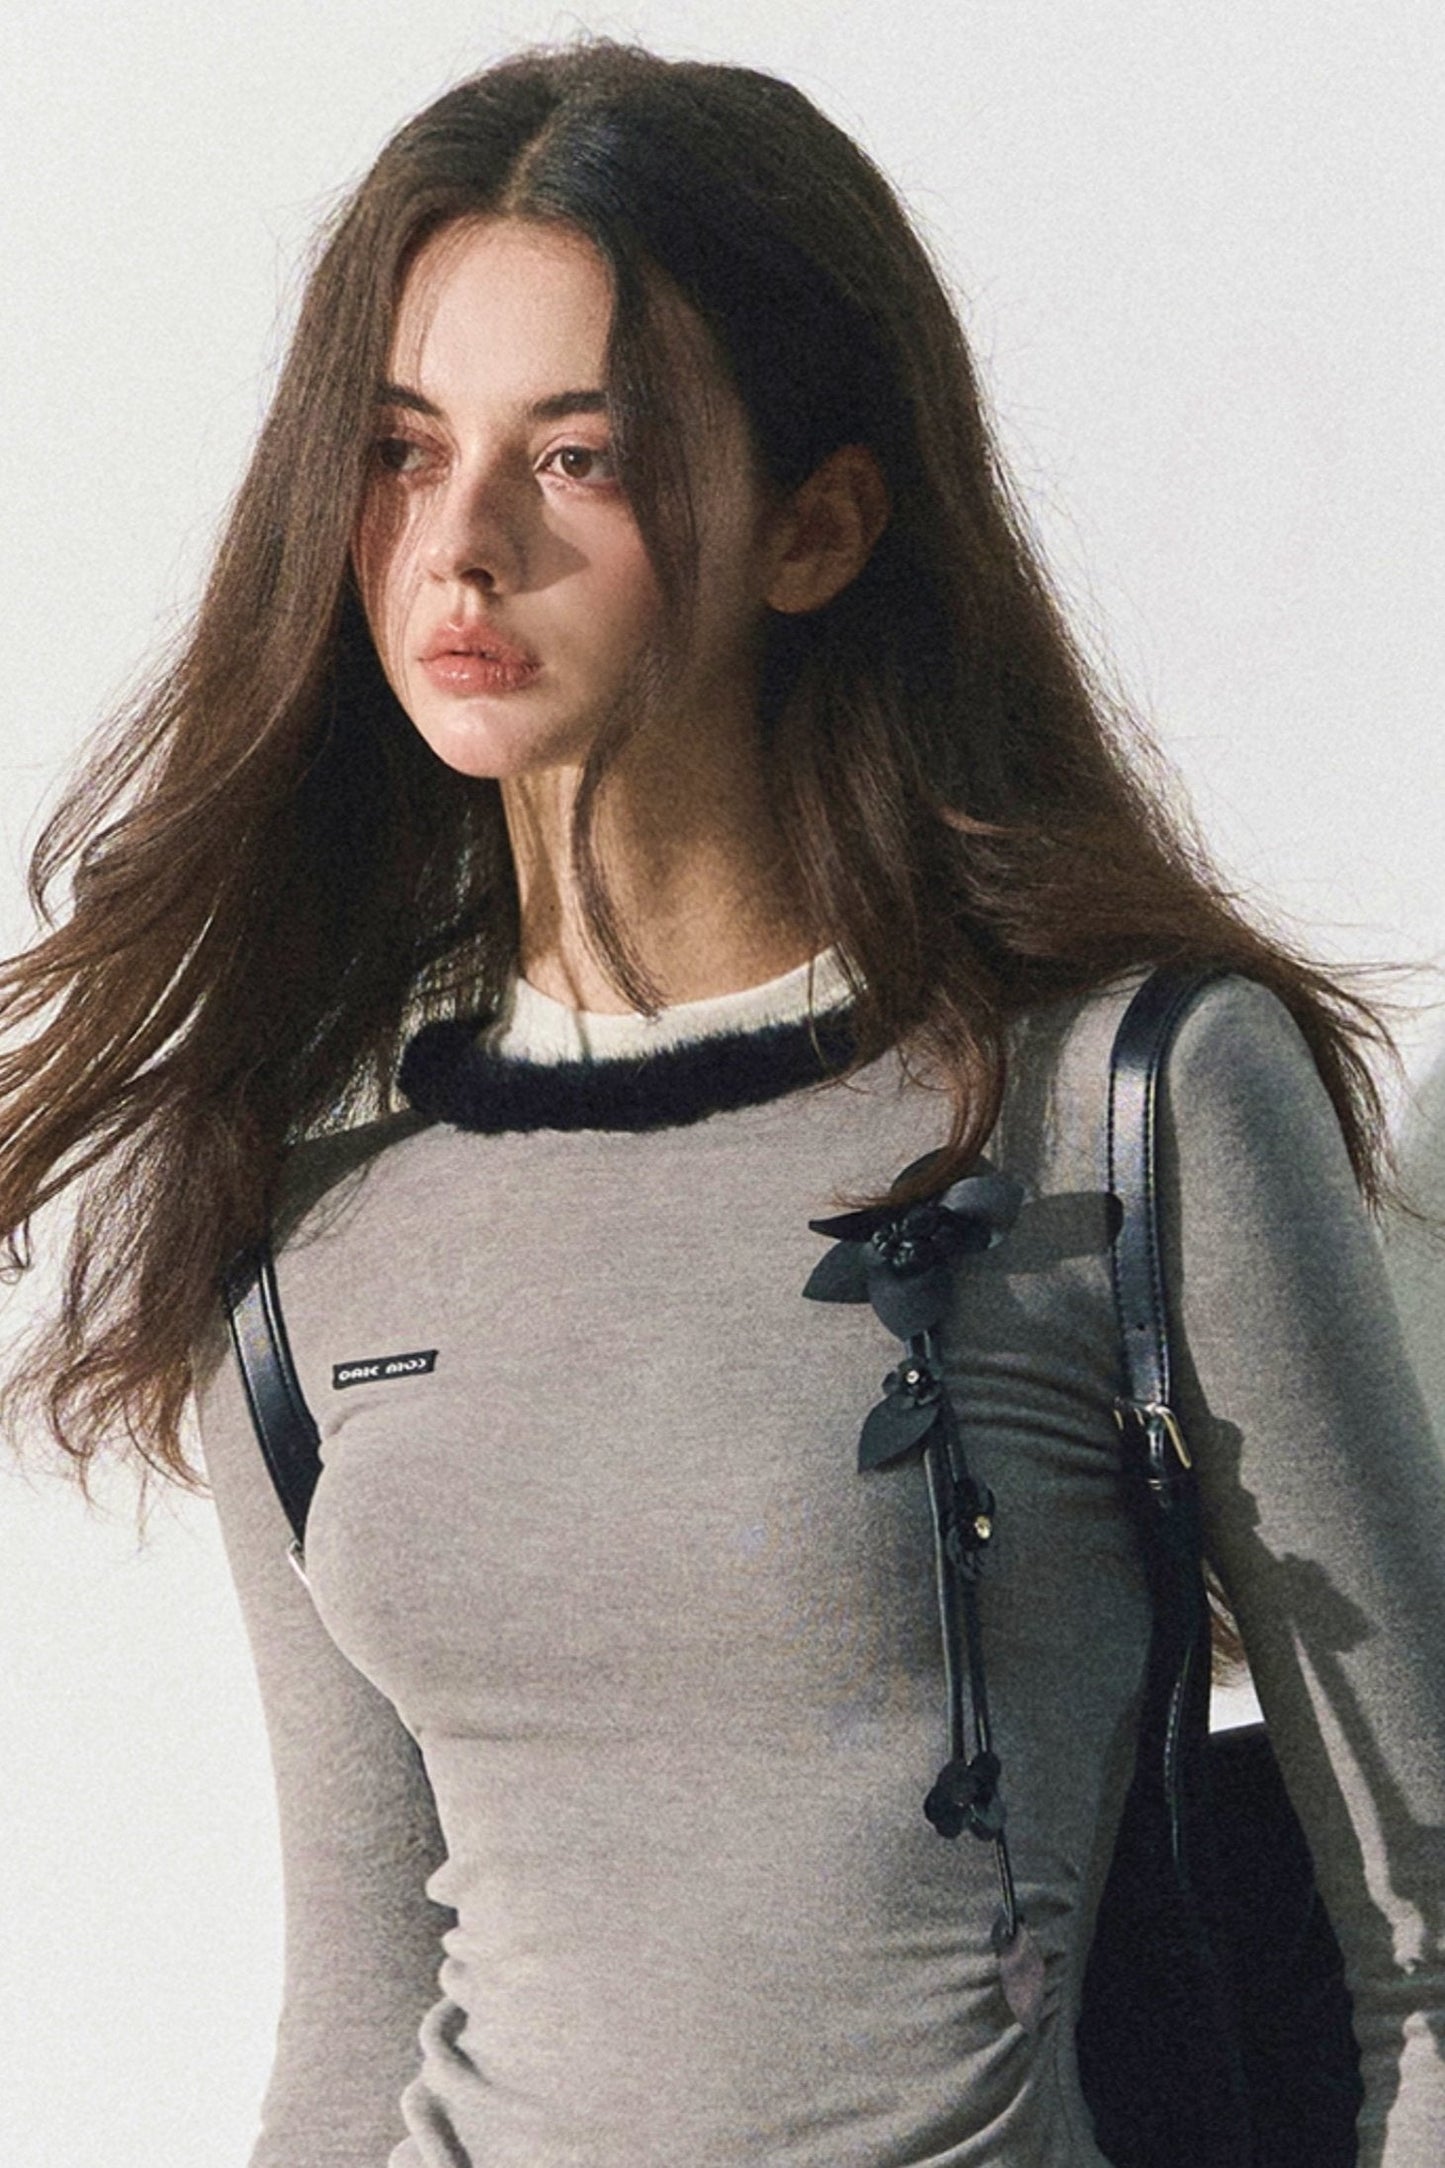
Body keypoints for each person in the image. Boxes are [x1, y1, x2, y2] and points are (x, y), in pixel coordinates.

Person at [1, 38, 1442, 2168]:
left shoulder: (1125, 1101)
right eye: (401, 452)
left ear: (817, 526)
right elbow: (365, 1994)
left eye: (578, 456)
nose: (461, 545)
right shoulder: (304, 1221)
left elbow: (1423, 1945)